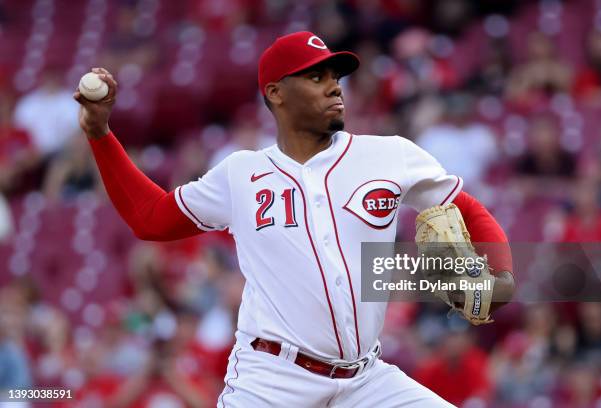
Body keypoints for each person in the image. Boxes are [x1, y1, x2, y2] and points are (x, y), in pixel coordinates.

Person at [75, 31, 514, 407]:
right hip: (272, 380)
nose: (334, 87)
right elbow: (151, 218)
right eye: (316, 76)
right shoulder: (241, 173)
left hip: (365, 380)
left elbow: (468, 208)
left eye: (336, 77)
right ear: (276, 92)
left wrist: (502, 275)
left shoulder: (390, 155)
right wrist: (101, 136)